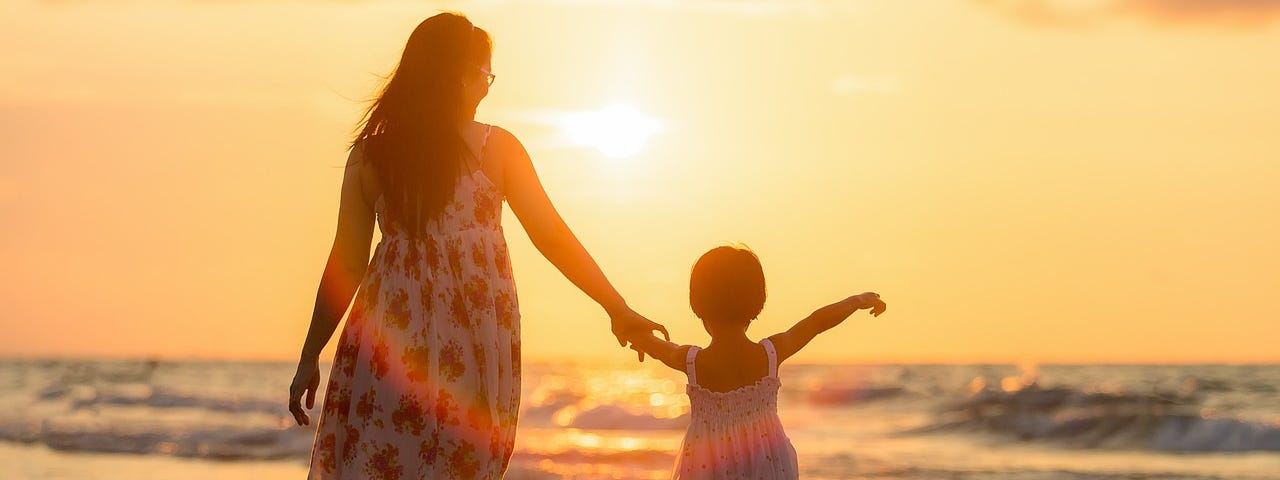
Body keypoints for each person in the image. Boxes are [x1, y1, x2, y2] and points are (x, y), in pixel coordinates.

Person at [286, 12, 667, 479]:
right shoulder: (496, 148)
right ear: (458, 76)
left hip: (384, 347)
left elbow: (346, 262)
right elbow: (551, 236)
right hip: (474, 346)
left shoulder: (371, 155)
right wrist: (615, 306)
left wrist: (310, 356)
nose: (487, 87)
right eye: (484, 73)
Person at [628, 245, 887, 479]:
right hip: (769, 463)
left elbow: (654, 345)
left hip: (706, 466)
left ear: (698, 305)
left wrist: (636, 335)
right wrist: (856, 301)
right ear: (756, 303)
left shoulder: (692, 361)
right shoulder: (770, 354)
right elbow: (816, 322)